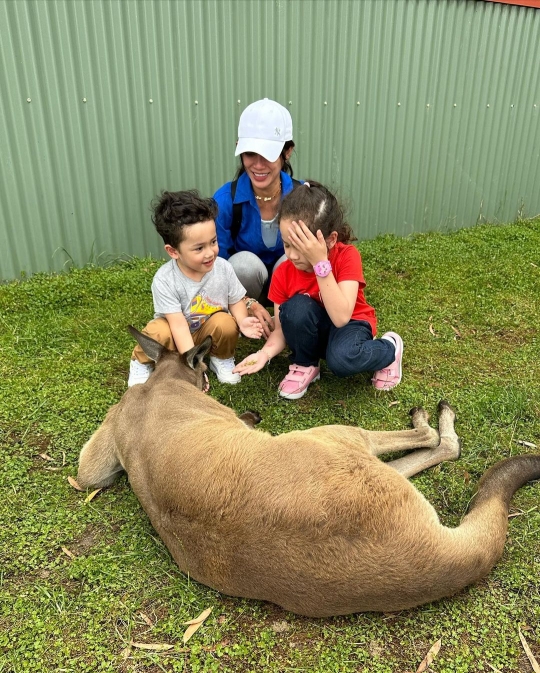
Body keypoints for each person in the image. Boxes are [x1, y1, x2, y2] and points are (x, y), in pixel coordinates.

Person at [233, 181, 404, 399]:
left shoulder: (347, 256)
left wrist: (320, 264)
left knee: (342, 361)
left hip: (350, 323)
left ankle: (390, 349)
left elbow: (342, 317)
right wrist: (264, 353)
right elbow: (281, 329)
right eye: (287, 244)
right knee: (295, 308)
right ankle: (305, 364)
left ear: (330, 240)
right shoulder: (284, 272)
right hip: (316, 330)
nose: (292, 255)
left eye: (302, 247)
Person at [128, 190, 263, 387]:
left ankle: (221, 357)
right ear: (173, 251)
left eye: (213, 242)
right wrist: (194, 367)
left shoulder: (223, 268)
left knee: (226, 323)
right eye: (199, 248)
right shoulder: (165, 279)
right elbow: (179, 326)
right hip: (174, 336)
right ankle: (141, 361)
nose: (210, 253)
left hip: (205, 333)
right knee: (157, 332)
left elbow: (235, 300)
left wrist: (242, 321)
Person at [213, 98, 303, 336]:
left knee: (291, 261)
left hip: (292, 286)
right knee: (242, 264)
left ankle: (292, 320)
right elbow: (216, 264)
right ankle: (244, 317)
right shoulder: (224, 200)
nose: (259, 164)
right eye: (250, 153)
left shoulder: (303, 196)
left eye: (269, 154)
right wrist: (247, 301)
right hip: (244, 289)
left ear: (287, 152)